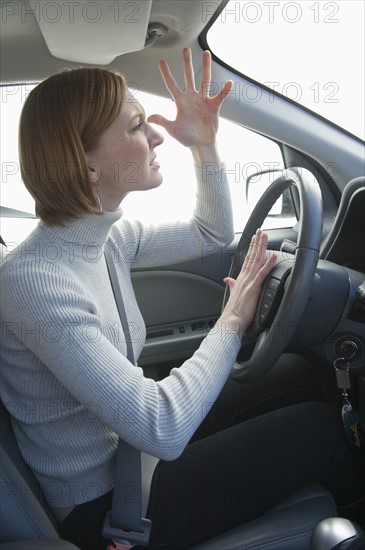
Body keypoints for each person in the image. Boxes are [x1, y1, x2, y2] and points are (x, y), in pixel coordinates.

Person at [0, 48, 363, 550]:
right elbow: (161, 425)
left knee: (299, 375)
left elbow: (211, 233)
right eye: (133, 128)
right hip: (109, 504)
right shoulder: (33, 281)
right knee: (320, 432)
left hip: (130, 452)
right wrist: (232, 320)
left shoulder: (106, 240)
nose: (154, 135)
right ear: (84, 166)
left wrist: (204, 146)